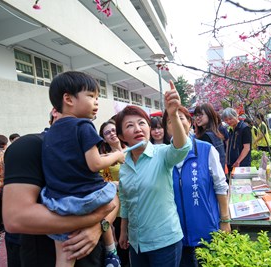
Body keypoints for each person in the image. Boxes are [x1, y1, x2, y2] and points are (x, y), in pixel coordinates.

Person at [40, 71, 124, 267]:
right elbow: (94, 164)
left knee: (65, 255)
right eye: (91, 96)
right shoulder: (83, 125)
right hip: (86, 199)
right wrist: (116, 156)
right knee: (114, 190)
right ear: (68, 99)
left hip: (56, 202)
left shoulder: (50, 132)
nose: (96, 102)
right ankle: (112, 252)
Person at [116, 81, 192, 267]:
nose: (138, 128)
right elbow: (125, 201)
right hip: (137, 243)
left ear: (149, 129)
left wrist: (173, 113)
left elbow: (182, 147)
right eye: (130, 125)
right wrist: (124, 231)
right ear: (121, 136)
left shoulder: (162, 154)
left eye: (142, 123)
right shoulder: (124, 165)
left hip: (164, 241)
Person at [163, 106, 231, 267]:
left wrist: (225, 220)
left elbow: (221, 187)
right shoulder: (163, 156)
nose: (176, 122)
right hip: (175, 235)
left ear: (190, 123)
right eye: (171, 120)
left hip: (206, 230)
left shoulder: (206, 150)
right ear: (166, 127)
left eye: (180, 118)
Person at [98, 119, 130, 267]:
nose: (111, 134)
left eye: (113, 130)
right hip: (117, 209)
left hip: (135, 203)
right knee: (123, 248)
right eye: (107, 132)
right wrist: (113, 184)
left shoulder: (132, 149)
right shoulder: (105, 159)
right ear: (104, 138)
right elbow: (98, 182)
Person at [193, 103, 226, 169]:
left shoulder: (206, 136)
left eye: (201, 115)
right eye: (196, 116)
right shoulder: (215, 133)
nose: (197, 118)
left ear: (209, 115)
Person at [222, 108, 252, 174]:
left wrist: (238, 161)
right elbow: (228, 146)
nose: (228, 121)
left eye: (230, 119)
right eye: (226, 120)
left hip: (242, 165)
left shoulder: (244, 128)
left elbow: (246, 148)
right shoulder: (232, 130)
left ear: (236, 116)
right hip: (232, 164)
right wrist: (226, 160)